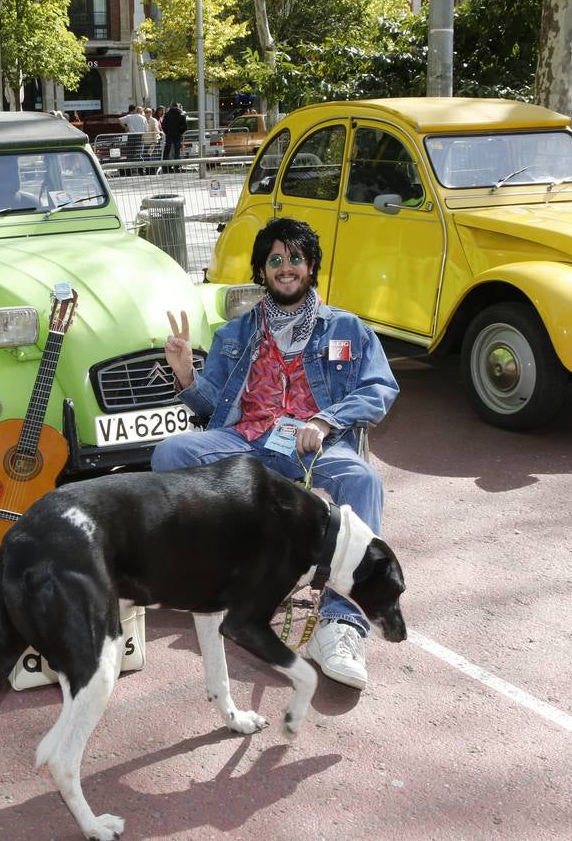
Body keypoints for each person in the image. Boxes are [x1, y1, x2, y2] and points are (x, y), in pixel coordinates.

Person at [153, 217, 399, 691]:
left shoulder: (347, 329)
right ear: (262, 269)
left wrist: (325, 421)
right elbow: (210, 408)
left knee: (363, 480)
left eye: (296, 259)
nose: (286, 268)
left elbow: (379, 387)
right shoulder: (237, 333)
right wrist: (186, 375)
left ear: (311, 267)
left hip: (314, 445)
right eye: (276, 260)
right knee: (171, 454)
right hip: (247, 441)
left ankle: (341, 624)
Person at [160, 101, 187, 166]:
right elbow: (185, 127)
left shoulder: (167, 114)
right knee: (177, 151)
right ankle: (177, 166)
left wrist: (167, 132)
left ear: (171, 106)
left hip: (169, 135)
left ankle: (165, 166)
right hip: (177, 135)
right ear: (178, 107)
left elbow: (163, 125)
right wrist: (180, 132)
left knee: (167, 151)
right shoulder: (182, 115)